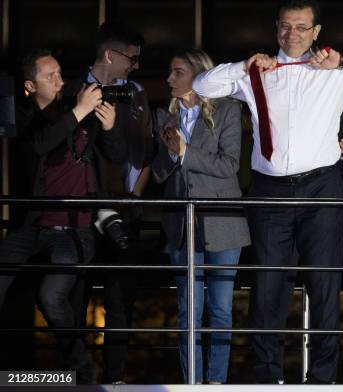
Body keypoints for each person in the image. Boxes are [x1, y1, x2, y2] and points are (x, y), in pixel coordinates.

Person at [193, 0, 343, 384]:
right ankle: (268, 379)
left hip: (321, 189)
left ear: (316, 30)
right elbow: (204, 85)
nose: (292, 34)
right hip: (269, 191)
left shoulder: (337, 71)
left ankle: (322, 380)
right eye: (286, 26)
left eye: (302, 27)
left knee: (324, 288)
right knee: (267, 290)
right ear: (276, 28)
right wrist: (244, 64)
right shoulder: (256, 73)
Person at [0, 48, 126, 383]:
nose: (60, 81)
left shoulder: (76, 109)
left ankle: (81, 368)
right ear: (29, 85)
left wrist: (110, 127)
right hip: (31, 223)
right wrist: (80, 110)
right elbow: (40, 144)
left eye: (60, 74)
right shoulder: (23, 118)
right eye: (50, 76)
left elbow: (115, 154)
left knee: (52, 297)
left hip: (74, 226)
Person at [152, 49, 250, 384]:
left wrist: (185, 152)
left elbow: (229, 165)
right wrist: (170, 154)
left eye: (177, 72)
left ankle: (216, 383)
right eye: (170, 72)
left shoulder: (228, 110)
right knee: (188, 312)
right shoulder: (163, 116)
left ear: (199, 75)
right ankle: (191, 383)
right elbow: (159, 173)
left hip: (223, 222)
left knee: (221, 310)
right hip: (182, 225)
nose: (169, 79)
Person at [63, 21, 153, 384]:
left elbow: (145, 152)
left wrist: (133, 200)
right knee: (74, 299)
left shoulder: (137, 93)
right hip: (78, 211)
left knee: (120, 301)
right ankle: (74, 377)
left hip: (122, 210)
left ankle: (115, 379)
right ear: (109, 54)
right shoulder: (71, 89)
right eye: (131, 58)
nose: (135, 65)